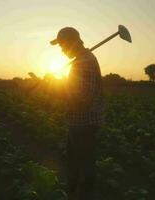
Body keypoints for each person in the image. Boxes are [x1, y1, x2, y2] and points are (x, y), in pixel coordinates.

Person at [50, 27, 103, 200]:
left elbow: (82, 100)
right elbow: (74, 90)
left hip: (84, 124)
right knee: (75, 164)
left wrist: (52, 90)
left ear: (72, 43)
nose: (61, 50)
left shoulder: (84, 62)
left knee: (84, 168)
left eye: (63, 46)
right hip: (78, 123)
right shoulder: (80, 61)